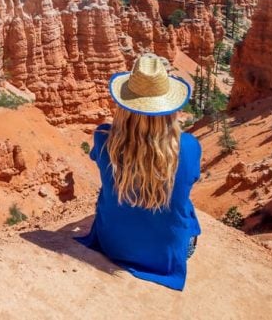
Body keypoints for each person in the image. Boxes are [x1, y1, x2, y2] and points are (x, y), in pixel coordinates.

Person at [77, 53, 202, 291]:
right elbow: (190, 179)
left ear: (124, 105)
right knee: (185, 207)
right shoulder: (188, 147)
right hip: (167, 255)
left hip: (112, 245)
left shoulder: (103, 138)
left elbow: (97, 159)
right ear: (169, 106)